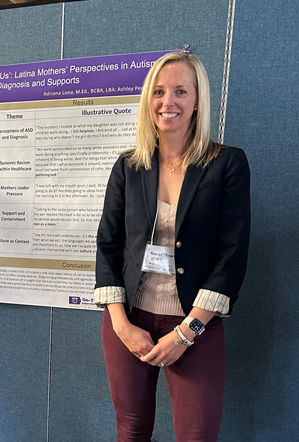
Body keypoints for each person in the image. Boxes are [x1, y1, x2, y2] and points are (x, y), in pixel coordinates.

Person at [94, 51, 251, 442]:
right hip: (129, 320)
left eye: (181, 91)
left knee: (197, 436)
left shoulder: (226, 164)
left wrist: (186, 332)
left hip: (196, 324)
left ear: (197, 100)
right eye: (159, 92)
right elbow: (107, 246)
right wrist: (121, 325)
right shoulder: (129, 166)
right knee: (131, 431)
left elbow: (231, 257)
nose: (168, 102)